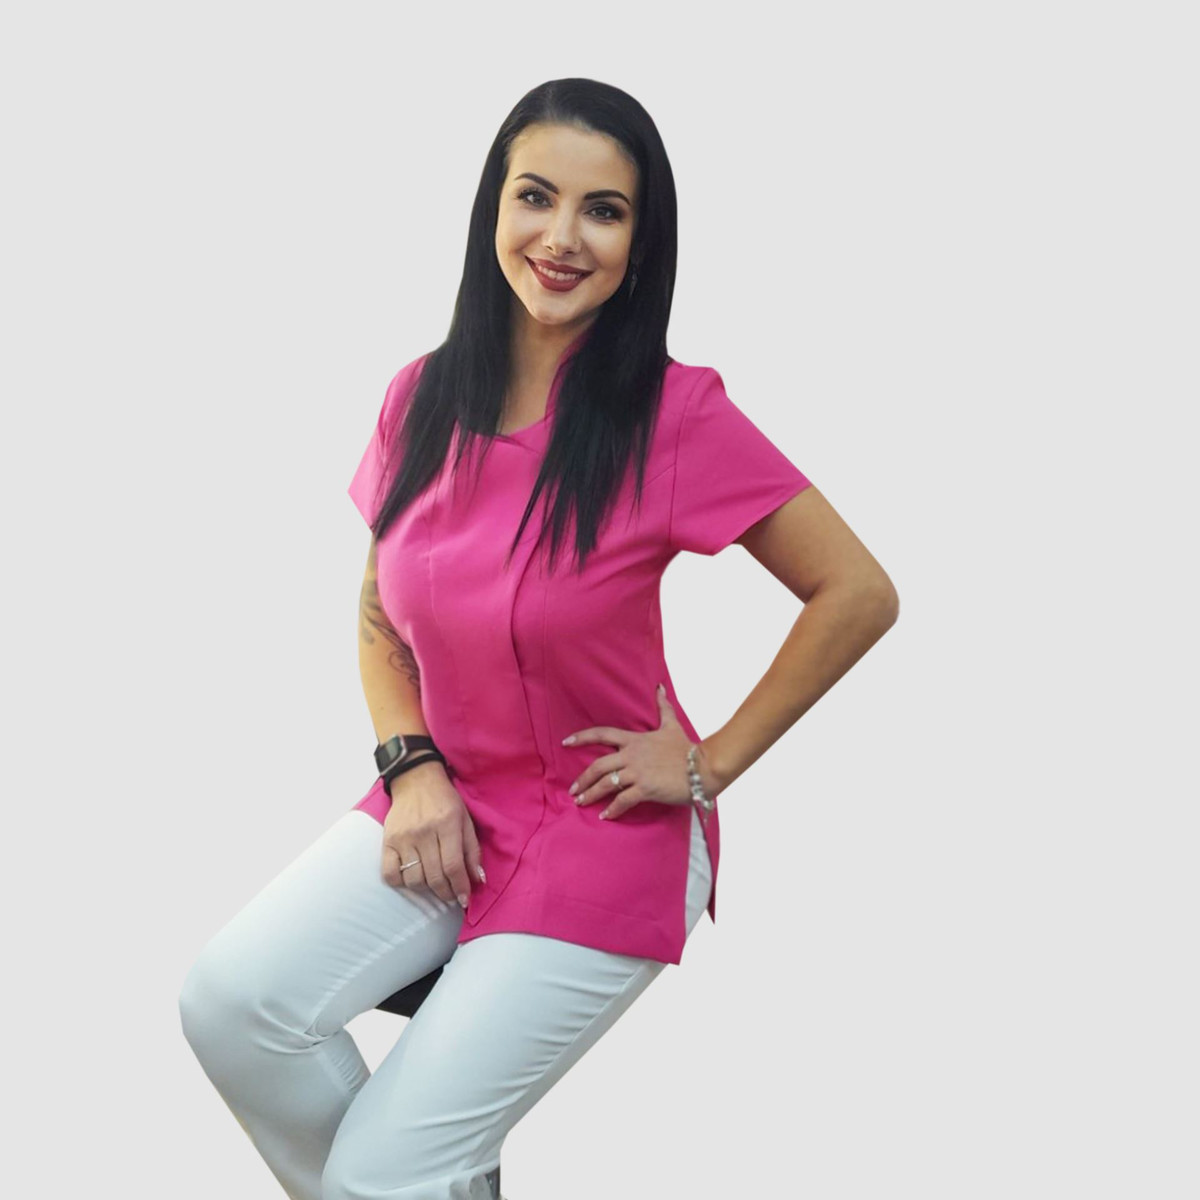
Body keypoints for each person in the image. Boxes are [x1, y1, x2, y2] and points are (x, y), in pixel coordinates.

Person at [179, 77, 899, 1200]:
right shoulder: (419, 397)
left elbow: (855, 591)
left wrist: (709, 765)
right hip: (449, 802)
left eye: (603, 211)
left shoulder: (677, 416)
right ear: (493, 208)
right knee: (232, 1006)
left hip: (609, 826)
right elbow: (378, 613)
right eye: (536, 197)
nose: (562, 237)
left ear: (640, 243)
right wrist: (410, 767)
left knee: (385, 1171)